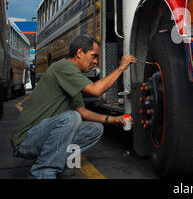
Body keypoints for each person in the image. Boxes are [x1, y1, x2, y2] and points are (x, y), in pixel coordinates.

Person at [11, 35, 137, 179]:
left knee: (95, 129)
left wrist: (113, 119)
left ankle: (58, 160)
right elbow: (96, 90)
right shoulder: (64, 67)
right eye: (93, 56)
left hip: (42, 136)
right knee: (71, 118)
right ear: (79, 53)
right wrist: (121, 68)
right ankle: (43, 171)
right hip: (26, 140)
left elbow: (82, 111)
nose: (95, 62)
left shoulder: (72, 76)